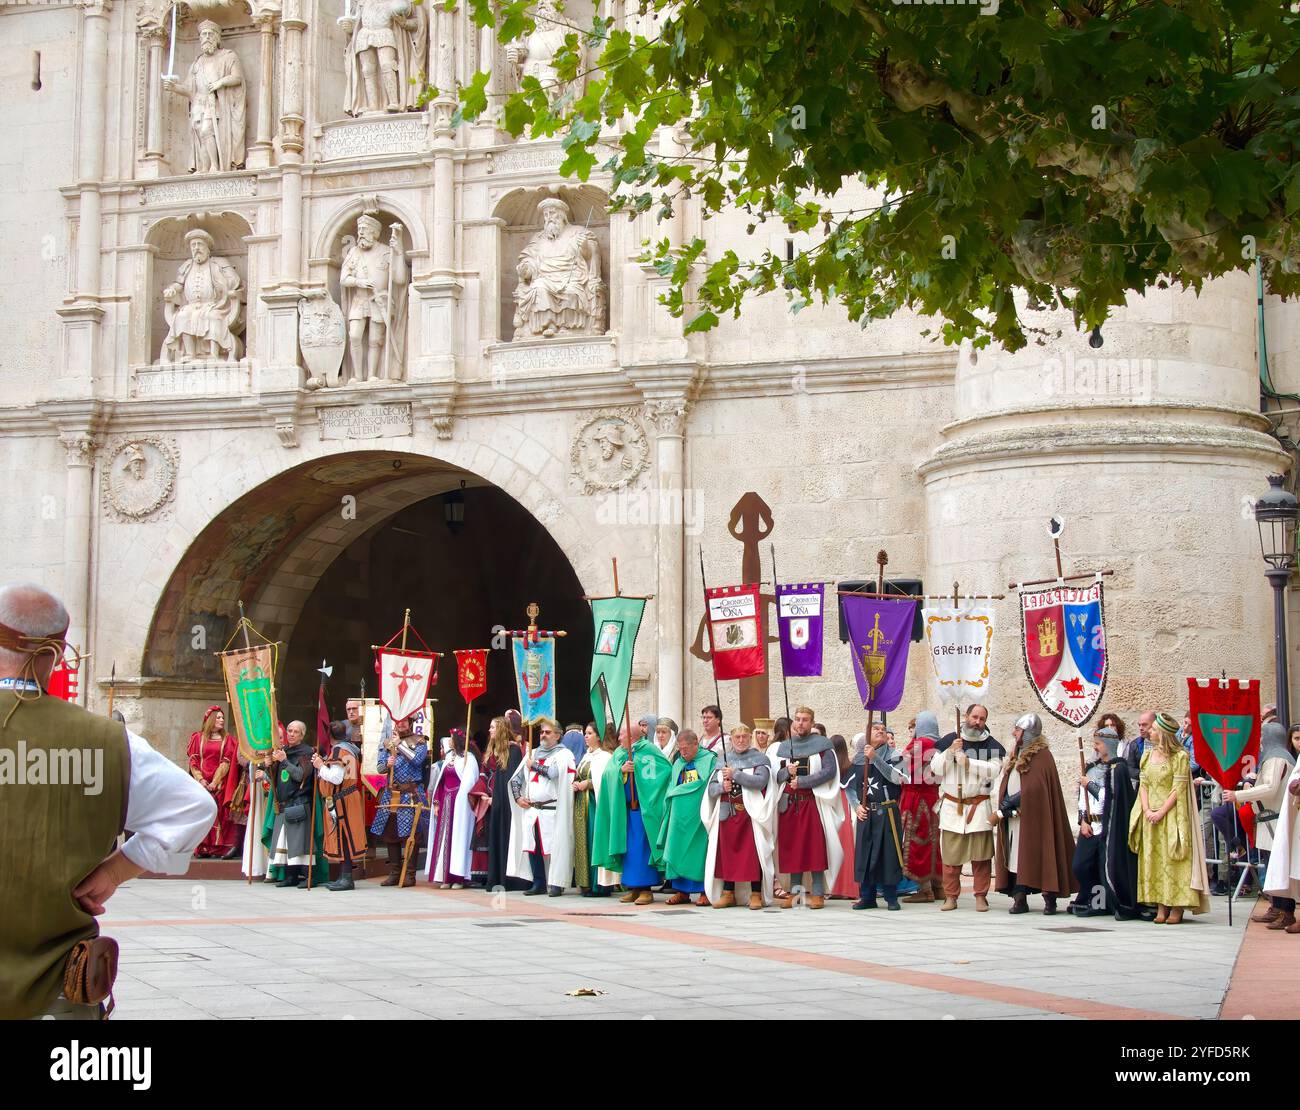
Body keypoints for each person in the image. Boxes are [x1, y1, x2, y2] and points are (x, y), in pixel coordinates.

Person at [0, 582, 215, 1020]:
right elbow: (194, 807)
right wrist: (118, 868)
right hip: (53, 989)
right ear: (57, 654)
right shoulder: (107, 743)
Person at [1128, 712, 1211, 923]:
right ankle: (1160, 904)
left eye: (1154, 729)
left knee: (1172, 859)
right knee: (1154, 860)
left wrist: (1161, 811)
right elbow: (1144, 784)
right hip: (1151, 813)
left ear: (1163, 734)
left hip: (1171, 813)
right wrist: (1147, 810)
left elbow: (1178, 789)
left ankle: (1177, 906)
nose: (1150, 732)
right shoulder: (1147, 755)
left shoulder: (1180, 757)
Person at [993, 713, 1078, 915]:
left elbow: (1036, 788)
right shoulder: (1017, 754)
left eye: (1017, 729)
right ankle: (1019, 897)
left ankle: (1050, 898)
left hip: (1037, 818)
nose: (1014, 732)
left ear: (1027, 732)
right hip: (1015, 818)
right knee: (1016, 857)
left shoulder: (1042, 756)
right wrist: (1006, 802)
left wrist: (1012, 800)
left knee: (1042, 854)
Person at [592, 722, 672, 905]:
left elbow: (665, 770)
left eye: (622, 735)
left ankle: (646, 889)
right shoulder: (620, 753)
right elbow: (607, 774)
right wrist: (620, 771)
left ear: (632, 736)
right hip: (625, 810)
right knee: (629, 850)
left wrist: (643, 780)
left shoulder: (649, 750)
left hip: (644, 811)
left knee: (642, 849)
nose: (619, 738)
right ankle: (633, 888)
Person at [931, 712, 1003, 911]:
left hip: (978, 808)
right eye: (974, 717)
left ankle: (981, 896)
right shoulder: (949, 740)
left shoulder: (991, 744)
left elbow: (995, 770)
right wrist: (950, 752)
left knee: (981, 857)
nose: (977, 722)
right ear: (966, 717)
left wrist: (969, 763)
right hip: (953, 808)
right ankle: (951, 897)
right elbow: (936, 768)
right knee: (951, 858)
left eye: (981, 718)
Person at [773, 705, 843, 908]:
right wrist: (787, 771)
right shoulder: (785, 747)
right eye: (797, 719)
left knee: (814, 848)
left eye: (804, 719)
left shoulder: (822, 745)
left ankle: (818, 893)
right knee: (793, 849)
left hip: (812, 802)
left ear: (812, 722)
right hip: (789, 804)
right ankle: (795, 894)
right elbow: (776, 777)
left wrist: (803, 782)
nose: (800, 723)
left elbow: (829, 771)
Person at [703, 724, 776, 909]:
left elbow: (761, 781)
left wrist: (735, 774)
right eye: (737, 737)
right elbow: (710, 789)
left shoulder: (759, 759)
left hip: (751, 814)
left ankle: (756, 894)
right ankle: (728, 893)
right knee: (726, 854)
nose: (741, 740)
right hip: (728, 814)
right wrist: (721, 787)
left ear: (750, 738)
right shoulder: (722, 760)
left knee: (754, 853)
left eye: (745, 737)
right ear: (732, 740)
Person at [1070, 726, 1140, 919]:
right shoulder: (1092, 768)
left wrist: (1089, 785)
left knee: (1102, 868)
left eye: (1098, 743)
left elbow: (1107, 798)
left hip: (1107, 826)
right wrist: (1083, 820)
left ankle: (1101, 904)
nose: (1095, 747)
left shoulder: (1119, 769)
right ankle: (1092, 899)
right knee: (1081, 866)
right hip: (1090, 825)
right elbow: (1083, 800)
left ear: (1109, 744)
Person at [160, 20, 247, 173]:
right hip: (198, 104)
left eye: (210, 34)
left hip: (216, 103)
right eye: (203, 34)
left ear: (217, 37)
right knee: (200, 134)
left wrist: (219, 83)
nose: (206, 37)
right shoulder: (197, 63)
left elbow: (237, 77)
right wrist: (174, 88)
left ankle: (215, 165)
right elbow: (190, 89)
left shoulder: (228, 56)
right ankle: (204, 167)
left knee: (207, 131)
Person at [1236, 721, 1298, 929]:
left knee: (1278, 866)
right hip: (1268, 818)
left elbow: (1270, 788)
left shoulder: (1277, 758)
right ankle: (1276, 906)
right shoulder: (1274, 757)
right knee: (1272, 866)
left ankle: (1285, 911)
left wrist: (1239, 794)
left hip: (1274, 819)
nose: (1260, 740)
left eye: (1262, 736)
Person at [507, 719, 576, 896]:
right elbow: (516, 779)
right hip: (532, 810)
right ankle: (539, 882)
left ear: (558, 735)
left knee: (554, 847)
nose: (543, 735)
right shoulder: (533, 752)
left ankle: (556, 882)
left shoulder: (563, 755)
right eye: (542, 732)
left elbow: (553, 774)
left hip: (552, 810)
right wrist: (518, 797)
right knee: (533, 847)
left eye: (547, 732)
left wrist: (534, 765)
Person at [847, 723, 908, 911]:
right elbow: (848, 786)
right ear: (867, 735)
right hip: (867, 814)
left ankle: (891, 897)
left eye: (882, 729)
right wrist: (856, 806)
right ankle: (867, 897)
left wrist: (876, 759)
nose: (880, 730)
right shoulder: (858, 759)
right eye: (875, 728)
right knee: (865, 854)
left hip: (887, 811)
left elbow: (899, 778)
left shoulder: (895, 755)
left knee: (888, 854)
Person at [658, 729, 718, 906]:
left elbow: (706, 784)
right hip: (678, 817)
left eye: (686, 748)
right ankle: (681, 891)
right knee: (677, 850)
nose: (683, 752)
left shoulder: (709, 760)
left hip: (698, 816)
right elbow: (671, 785)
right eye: (680, 748)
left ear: (696, 744)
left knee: (699, 853)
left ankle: (704, 891)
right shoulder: (678, 762)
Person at [370, 715, 429, 888]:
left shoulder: (419, 741)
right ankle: (395, 872)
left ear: (410, 722)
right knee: (391, 834)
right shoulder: (388, 743)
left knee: (412, 835)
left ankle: (409, 874)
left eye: (404, 720)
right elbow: (379, 767)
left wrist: (400, 746)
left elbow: (418, 760)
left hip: (410, 792)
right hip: (392, 793)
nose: (401, 723)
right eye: (398, 720)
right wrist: (387, 764)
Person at [266, 720, 321, 888]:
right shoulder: (283, 752)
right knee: (286, 843)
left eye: (295, 731)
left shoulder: (306, 753)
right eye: (289, 730)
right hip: (284, 804)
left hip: (299, 803)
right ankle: (291, 877)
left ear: (302, 735)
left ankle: (307, 876)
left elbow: (300, 776)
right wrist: (269, 766)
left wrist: (284, 762)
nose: (291, 734)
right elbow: (275, 779)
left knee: (300, 843)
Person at [313, 720, 366, 891]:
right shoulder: (350, 749)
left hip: (343, 799)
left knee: (344, 836)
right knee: (345, 836)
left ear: (330, 736)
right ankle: (344, 876)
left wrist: (320, 766)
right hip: (347, 797)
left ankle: (347, 878)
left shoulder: (339, 751)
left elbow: (336, 778)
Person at [899, 711, 943, 903]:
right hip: (933, 797)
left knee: (917, 843)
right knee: (933, 843)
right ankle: (938, 887)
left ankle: (925, 890)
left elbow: (904, 770)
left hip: (916, 799)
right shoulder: (941, 745)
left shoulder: (920, 744)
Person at [426, 730, 478, 889]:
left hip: (459, 803)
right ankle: (445, 877)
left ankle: (458, 877)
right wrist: (436, 802)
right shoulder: (449, 757)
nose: (449, 741)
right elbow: (441, 782)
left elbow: (469, 783)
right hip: (446, 802)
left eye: (452, 738)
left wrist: (461, 801)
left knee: (458, 838)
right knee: (444, 839)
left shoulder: (469, 759)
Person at [187, 704, 240, 858]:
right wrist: (201, 780)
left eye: (223, 717)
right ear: (210, 719)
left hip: (219, 783)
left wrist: (215, 782)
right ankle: (202, 847)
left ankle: (217, 847)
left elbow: (226, 761)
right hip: (201, 782)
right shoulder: (197, 738)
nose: (222, 720)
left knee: (219, 813)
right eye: (218, 717)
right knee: (202, 813)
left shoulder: (227, 739)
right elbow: (193, 760)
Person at [482, 716, 527, 892]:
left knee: (508, 837)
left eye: (493, 727)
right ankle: (496, 878)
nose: (490, 730)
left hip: (509, 804)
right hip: (499, 802)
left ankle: (509, 879)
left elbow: (513, 781)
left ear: (500, 729)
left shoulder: (513, 751)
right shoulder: (498, 751)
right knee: (497, 837)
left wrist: (505, 799)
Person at [1263, 725, 1300, 934]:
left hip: (1281, 816)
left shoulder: (1281, 759)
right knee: (1291, 866)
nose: (1299, 742)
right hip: (1292, 819)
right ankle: (1282, 910)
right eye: (1296, 738)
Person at [572, 722, 602, 895]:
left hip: (593, 803)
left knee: (592, 839)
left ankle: (597, 883)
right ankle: (585, 882)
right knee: (582, 841)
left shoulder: (603, 756)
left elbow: (606, 779)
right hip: (581, 803)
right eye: (585, 733)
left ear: (598, 736)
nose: (586, 736)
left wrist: (589, 783)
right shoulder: (586, 756)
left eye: (589, 733)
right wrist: (576, 782)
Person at [829, 735, 858, 900]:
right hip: (846, 803)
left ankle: (833, 887)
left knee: (833, 845)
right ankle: (849, 888)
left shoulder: (829, 767)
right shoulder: (850, 766)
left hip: (833, 802)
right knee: (847, 846)